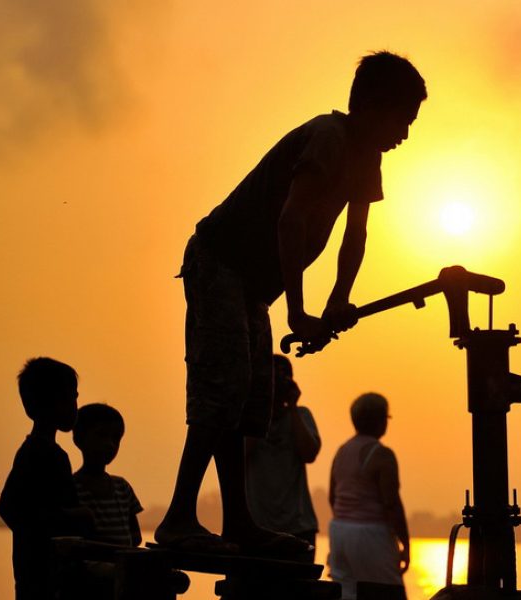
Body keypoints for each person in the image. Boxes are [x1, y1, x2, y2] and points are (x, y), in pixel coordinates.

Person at [154, 50, 425, 556]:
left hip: (254, 284)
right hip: (219, 261)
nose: (405, 134)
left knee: (253, 399)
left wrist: (339, 301)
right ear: (370, 105)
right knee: (222, 390)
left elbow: (356, 236)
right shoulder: (329, 136)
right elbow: (291, 221)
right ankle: (177, 519)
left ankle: (237, 521)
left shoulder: (369, 159)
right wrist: (299, 311)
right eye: (402, 120)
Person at [0, 357, 94, 600]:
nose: (75, 406)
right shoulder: (40, 453)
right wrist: (73, 516)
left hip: (47, 573)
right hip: (41, 577)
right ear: (51, 404)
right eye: (71, 398)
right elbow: (9, 508)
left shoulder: (45, 452)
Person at [328, 393, 410, 599]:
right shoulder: (382, 454)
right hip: (370, 534)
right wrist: (405, 544)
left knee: (347, 592)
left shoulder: (342, 451)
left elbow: (332, 496)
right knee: (389, 592)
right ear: (379, 420)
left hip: (339, 531)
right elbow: (391, 503)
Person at [245, 354, 321, 562]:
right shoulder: (248, 416)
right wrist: (261, 405)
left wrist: (293, 407)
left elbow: (309, 453)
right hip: (256, 527)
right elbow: (242, 453)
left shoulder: (301, 415)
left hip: (298, 526)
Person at [72, 403, 143, 547]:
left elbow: (136, 537)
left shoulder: (122, 487)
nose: (110, 444)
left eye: (116, 438)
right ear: (79, 439)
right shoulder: (72, 488)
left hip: (123, 564)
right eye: (101, 435)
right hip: (93, 567)